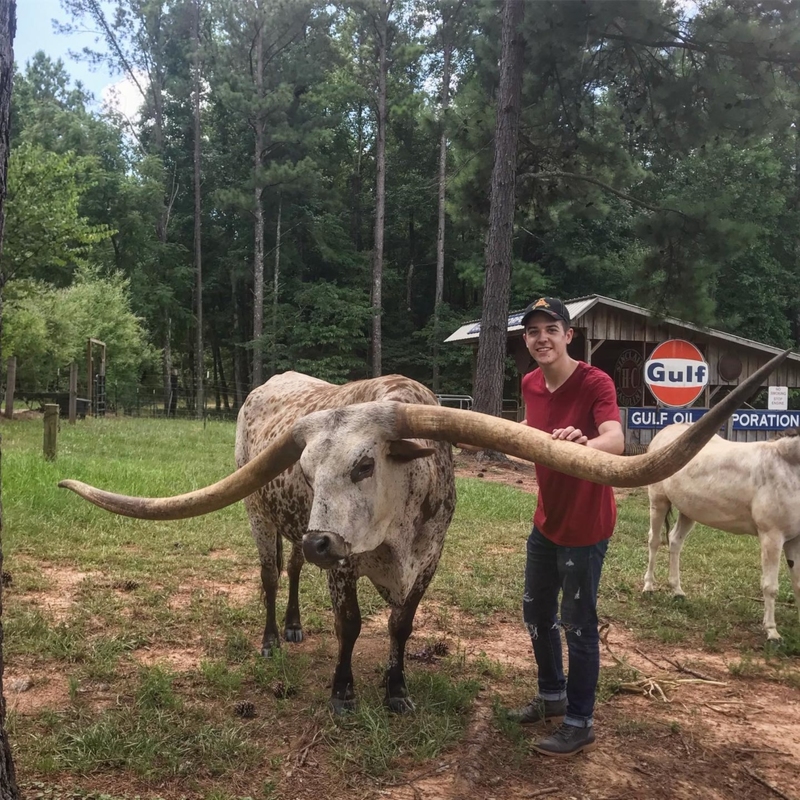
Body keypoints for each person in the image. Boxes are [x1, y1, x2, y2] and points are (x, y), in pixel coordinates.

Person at [508, 296, 624, 757]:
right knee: (536, 613)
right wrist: (488, 436)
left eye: (551, 329)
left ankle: (579, 721)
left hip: (586, 525)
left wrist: (585, 444)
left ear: (568, 335)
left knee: (578, 624)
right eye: (533, 331)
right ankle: (551, 694)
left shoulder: (595, 381)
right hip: (547, 520)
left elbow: (615, 438)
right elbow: (530, 428)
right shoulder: (530, 383)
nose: (541, 338)